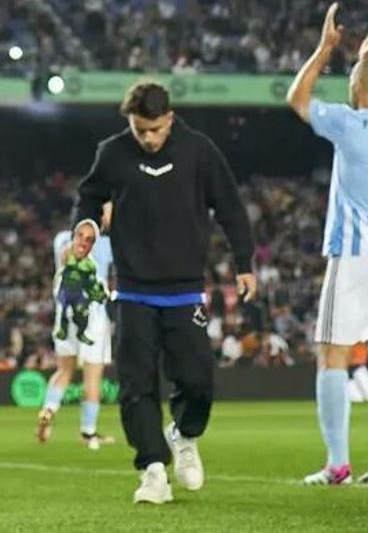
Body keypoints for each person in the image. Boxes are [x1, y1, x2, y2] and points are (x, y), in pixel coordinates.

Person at [73, 81, 256, 505]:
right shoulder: (113, 153)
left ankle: (184, 435)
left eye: (154, 130)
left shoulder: (198, 150)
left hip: (185, 289)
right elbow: (88, 199)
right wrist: (85, 225)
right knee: (136, 385)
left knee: (198, 382)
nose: (148, 139)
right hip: (132, 290)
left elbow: (230, 207)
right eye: (140, 130)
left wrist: (244, 263)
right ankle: (153, 470)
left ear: (169, 119)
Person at [286, 5, 368, 486]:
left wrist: (327, 50)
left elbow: (297, 98)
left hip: (357, 253)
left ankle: (337, 463)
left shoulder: (348, 122)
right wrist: (365, 62)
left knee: (333, 354)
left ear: (356, 88)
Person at [37, 205, 118, 450]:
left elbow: (65, 254)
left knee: (64, 371)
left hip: (65, 314)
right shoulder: (104, 244)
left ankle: (48, 410)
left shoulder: (61, 239)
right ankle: (88, 432)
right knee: (92, 376)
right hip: (92, 319)